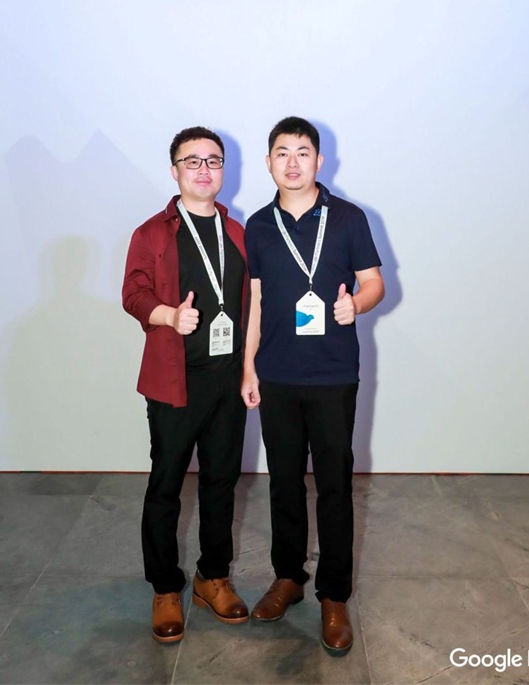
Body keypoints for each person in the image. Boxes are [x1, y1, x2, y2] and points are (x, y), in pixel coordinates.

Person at [242, 116, 384, 655]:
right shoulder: (258, 225)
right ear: (269, 162)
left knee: (334, 486)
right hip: (277, 375)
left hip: (331, 375)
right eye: (282, 152)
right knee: (283, 483)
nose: (293, 162)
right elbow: (256, 301)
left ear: (319, 161)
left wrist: (357, 304)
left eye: (303, 152)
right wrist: (249, 366)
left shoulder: (349, 218)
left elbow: (374, 282)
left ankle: (334, 595)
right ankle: (288, 578)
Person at [122, 126, 249, 643]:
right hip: (175, 382)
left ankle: (212, 578)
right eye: (192, 161)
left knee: (221, 482)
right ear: (174, 170)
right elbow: (133, 295)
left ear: (223, 170)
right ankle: (165, 587)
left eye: (213, 160)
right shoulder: (152, 233)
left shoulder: (237, 231)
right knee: (166, 486)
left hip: (227, 381)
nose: (204, 169)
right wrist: (168, 316)